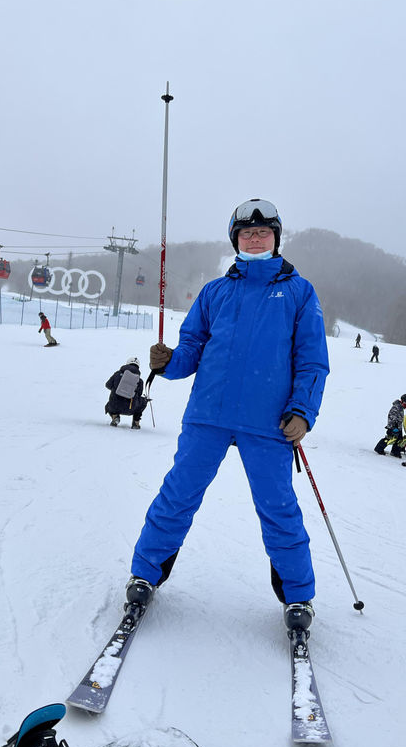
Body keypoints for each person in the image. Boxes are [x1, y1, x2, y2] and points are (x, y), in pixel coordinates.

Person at [125, 198, 330, 634]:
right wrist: (168, 362)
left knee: (278, 510)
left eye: (263, 232)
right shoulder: (215, 291)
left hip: (269, 423)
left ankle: (297, 596)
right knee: (177, 495)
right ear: (235, 240)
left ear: (276, 238)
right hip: (208, 416)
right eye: (246, 233)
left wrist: (302, 411)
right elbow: (192, 352)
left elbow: (312, 361)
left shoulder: (298, 291)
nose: (255, 239)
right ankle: (145, 573)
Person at [105, 357, 148, 429]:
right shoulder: (139, 381)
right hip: (131, 408)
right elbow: (139, 394)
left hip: (114, 406)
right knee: (143, 401)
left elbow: (108, 385)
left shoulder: (117, 374)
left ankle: (115, 417)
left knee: (110, 403)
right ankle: (136, 423)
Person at [374, 394, 406, 458]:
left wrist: (399, 427)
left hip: (398, 427)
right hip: (393, 427)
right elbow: (392, 417)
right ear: (404, 402)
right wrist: (394, 427)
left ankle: (395, 451)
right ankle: (379, 448)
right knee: (389, 438)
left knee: (399, 440)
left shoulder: (400, 408)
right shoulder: (396, 407)